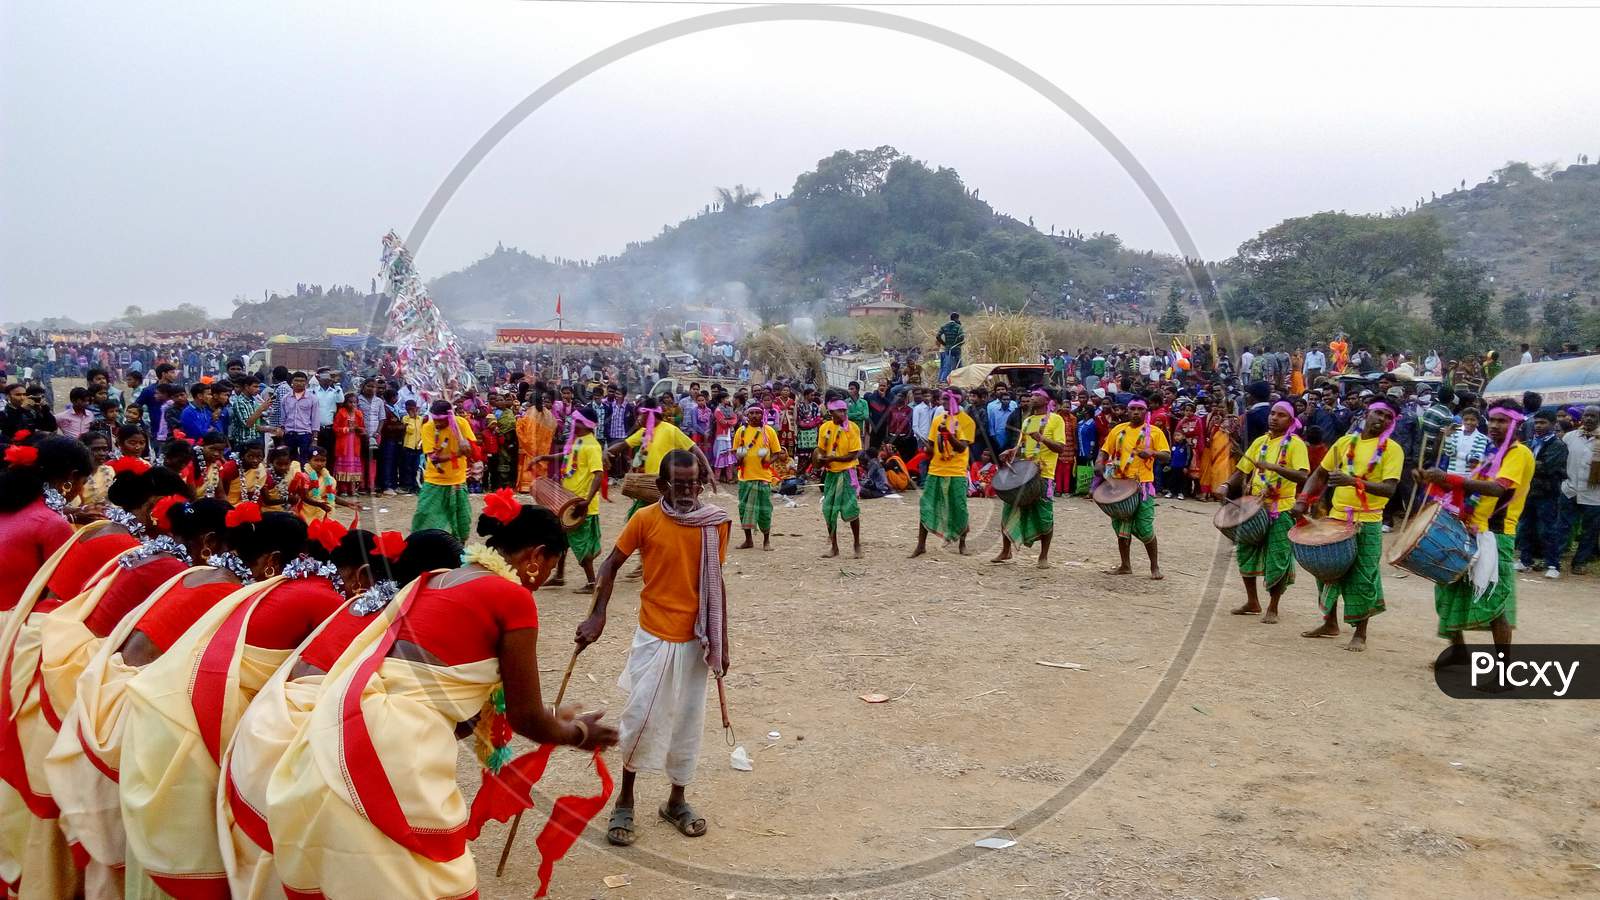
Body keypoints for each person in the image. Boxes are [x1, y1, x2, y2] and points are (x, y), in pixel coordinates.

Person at [268, 500, 617, 898]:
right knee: (433, 879)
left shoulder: (437, 579)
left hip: (349, 723)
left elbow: (466, 690)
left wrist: (551, 714)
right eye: (551, 565)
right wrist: (577, 733)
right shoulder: (512, 597)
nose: (542, 578)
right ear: (536, 556)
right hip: (399, 744)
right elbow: (523, 718)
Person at [577, 450, 729, 849]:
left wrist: (721, 641)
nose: (686, 491)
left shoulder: (715, 524)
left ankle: (676, 802)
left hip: (696, 641)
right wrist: (597, 616)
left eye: (692, 483)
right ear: (662, 486)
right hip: (655, 635)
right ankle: (625, 800)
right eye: (677, 484)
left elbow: (714, 585)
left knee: (687, 723)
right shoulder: (644, 519)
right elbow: (610, 565)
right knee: (641, 718)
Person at [1420, 401, 1532, 673]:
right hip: (1469, 528)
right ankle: (1459, 651)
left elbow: (1495, 489)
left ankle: (1504, 672)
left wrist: (1448, 478)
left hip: (1495, 534)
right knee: (1447, 588)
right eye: (1492, 420)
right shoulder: (1493, 454)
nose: (1494, 425)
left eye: (1502, 421)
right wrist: (1433, 481)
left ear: (1516, 424)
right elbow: (1469, 489)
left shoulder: (1519, 453)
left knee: (1494, 602)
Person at [1290, 400, 1403, 652]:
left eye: (1388, 417)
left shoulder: (1392, 449)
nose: (1381, 419)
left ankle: (1360, 634)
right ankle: (1329, 624)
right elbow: (1320, 474)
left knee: (1363, 576)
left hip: (1369, 521)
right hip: (1336, 518)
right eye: (1378, 413)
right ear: (1367, 413)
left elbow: (1390, 488)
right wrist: (1302, 499)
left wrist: (1352, 481)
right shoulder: (1345, 443)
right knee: (1326, 571)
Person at [1219, 401, 1310, 623]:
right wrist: (1225, 485)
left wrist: (1274, 468)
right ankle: (1253, 601)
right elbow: (1242, 470)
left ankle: (1273, 607)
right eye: (1272, 413)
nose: (1274, 418)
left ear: (1291, 421)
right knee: (1245, 553)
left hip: (1282, 508)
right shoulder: (1260, 442)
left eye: (1281, 415)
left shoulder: (1296, 445)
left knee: (1278, 557)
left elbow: (1302, 475)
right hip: (1254, 506)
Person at [1098, 398, 1171, 579]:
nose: (1136, 412)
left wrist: (1152, 453)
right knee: (1121, 527)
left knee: (1144, 527)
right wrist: (1099, 462)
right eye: (1132, 409)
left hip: (1143, 486)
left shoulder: (1154, 432)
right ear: (1127, 411)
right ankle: (1125, 565)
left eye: (1140, 409)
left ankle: (1154, 567)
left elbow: (1167, 456)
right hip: (1120, 485)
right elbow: (1104, 450)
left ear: (1146, 412)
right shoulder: (1118, 430)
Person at [535, 410, 606, 590]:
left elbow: (598, 474)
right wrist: (545, 457)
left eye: (577, 421)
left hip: (580, 504)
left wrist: (586, 502)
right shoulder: (578, 441)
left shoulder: (592, 446)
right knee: (562, 539)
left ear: (586, 424)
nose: (573, 424)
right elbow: (567, 456)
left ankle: (592, 582)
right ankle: (559, 576)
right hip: (567, 501)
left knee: (580, 543)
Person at [994, 390, 1064, 568]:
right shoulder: (1027, 421)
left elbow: (1060, 448)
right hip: (1023, 472)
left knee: (1044, 515)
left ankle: (1043, 556)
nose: (1032, 398)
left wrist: (1042, 438)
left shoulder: (1056, 419)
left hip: (1044, 474)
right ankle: (1006, 550)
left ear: (1046, 400)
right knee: (1009, 510)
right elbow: (1020, 446)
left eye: (1036, 395)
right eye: (1031, 395)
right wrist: (1010, 452)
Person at [911, 390, 975, 558]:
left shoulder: (967, 421)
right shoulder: (938, 419)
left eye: (946, 398)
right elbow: (932, 447)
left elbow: (961, 447)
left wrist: (947, 435)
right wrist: (927, 448)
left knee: (959, 507)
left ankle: (962, 543)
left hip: (956, 471)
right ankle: (920, 545)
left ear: (956, 400)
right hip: (936, 469)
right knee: (926, 505)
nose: (942, 401)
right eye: (942, 398)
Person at [412, 399, 478, 541]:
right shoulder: (428, 427)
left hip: (457, 480)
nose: (437, 423)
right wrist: (458, 454)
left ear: (449, 417)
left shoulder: (461, 423)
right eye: (435, 419)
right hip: (434, 480)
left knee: (462, 521)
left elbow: (474, 450)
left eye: (440, 420)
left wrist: (469, 448)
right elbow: (434, 458)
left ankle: (457, 549)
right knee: (424, 515)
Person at [816, 399, 863, 559]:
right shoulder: (825, 428)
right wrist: (819, 459)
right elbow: (821, 450)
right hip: (831, 475)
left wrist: (832, 459)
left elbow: (854, 454)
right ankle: (834, 547)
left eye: (844, 410)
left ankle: (857, 544)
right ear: (831, 413)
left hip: (847, 473)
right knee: (828, 510)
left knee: (851, 509)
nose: (843, 413)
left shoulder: (852, 428)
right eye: (839, 411)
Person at [1557, 405, 1600, 575]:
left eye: (1593, 416)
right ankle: (1554, 559)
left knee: (1590, 530)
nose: (1589, 419)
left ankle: (1579, 562)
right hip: (1570, 489)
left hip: (1595, 494)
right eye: (1587, 415)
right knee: (1562, 527)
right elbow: (1560, 460)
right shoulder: (1569, 437)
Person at [731, 405, 780, 552]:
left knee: (765, 509)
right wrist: (738, 459)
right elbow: (736, 452)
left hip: (763, 477)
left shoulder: (769, 431)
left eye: (757, 413)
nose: (754, 416)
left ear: (762, 415)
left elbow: (777, 452)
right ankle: (748, 540)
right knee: (744, 509)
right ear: (747, 415)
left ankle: (766, 541)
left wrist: (768, 462)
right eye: (751, 413)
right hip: (745, 477)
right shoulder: (741, 431)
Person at [935, 313, 965, 383]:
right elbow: (962, 337)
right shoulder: (958, 327)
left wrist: (944, 344)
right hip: (956, 349)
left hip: (948, 349)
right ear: (957, 318)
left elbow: (937, 336)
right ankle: (962, 380)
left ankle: (943, 380)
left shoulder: (944, 326)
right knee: (959, 364)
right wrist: (957, 344)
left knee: (947, 366)